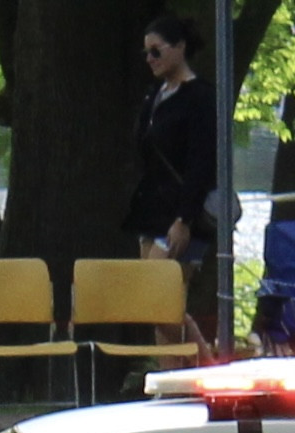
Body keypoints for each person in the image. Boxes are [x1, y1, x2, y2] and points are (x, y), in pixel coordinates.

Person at [121, 14, 216, 351]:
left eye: (156, 51)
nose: (150, 59)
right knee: (157, 309)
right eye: (146, 53)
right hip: (151, 211)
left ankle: (211, 368)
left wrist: (184, 220)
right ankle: (173, 391)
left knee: (160, 303)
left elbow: (202, 163)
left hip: (182, 214)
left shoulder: (200, 97)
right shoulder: (154, 95)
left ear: (180, 47)